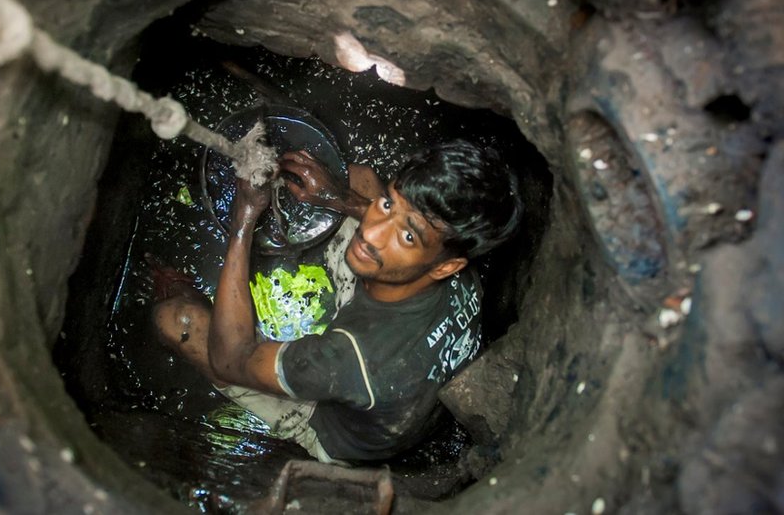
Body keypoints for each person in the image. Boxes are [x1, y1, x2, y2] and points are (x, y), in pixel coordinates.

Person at [152, 139, 522, 464]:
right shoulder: (459, 269)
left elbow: (231, 359)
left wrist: (243, 222)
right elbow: (386, 217)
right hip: (407, 390)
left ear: (446, 266)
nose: (372, 232)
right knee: (358, 178)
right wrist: (337, 197)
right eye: (388, 203)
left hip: (336, 424)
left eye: (408, 237)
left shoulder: (345, 360)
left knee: (176, 320)